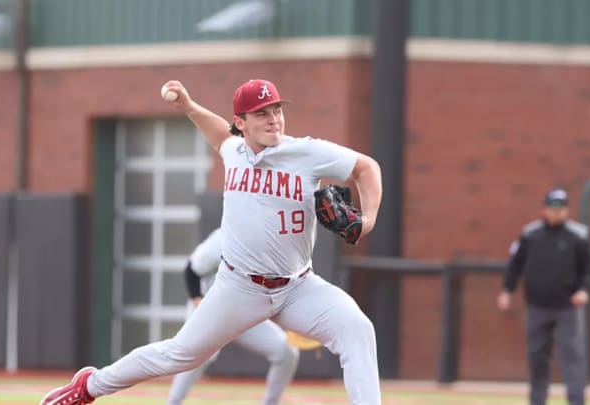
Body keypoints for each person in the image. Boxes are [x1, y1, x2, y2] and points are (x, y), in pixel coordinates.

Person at [40, 78, 383, 405]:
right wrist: (189, 106)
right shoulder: (233, 149)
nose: (274, 119)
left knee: (357, 329)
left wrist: (367, 220)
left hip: (298, 287)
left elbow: (367, 168)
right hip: (240, 287)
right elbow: (218, 133)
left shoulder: (308, 152)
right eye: (262, 113)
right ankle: (89, 386)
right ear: (242, 122)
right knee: (179, 355)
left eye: (277, 110)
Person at [167, 227, 299, 405]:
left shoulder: (273, 244)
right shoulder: (226, 236)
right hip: (210, 309)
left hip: (243, 310)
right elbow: (191, 270)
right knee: (195, 357)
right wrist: (200, 307)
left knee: (286, 352)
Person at [497, 188, 590, 405]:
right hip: (537, 305)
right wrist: (507, 289)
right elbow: (516, 264)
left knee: (572, 357)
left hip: (568, 306)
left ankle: (576, 401)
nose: (557, 213)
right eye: (553, 208)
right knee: (537, 356)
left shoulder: (578, 235)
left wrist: (584, 290)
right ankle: (537, 401)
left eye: (561, 208)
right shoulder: (531, 234)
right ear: (544, 209)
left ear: (567, 210)